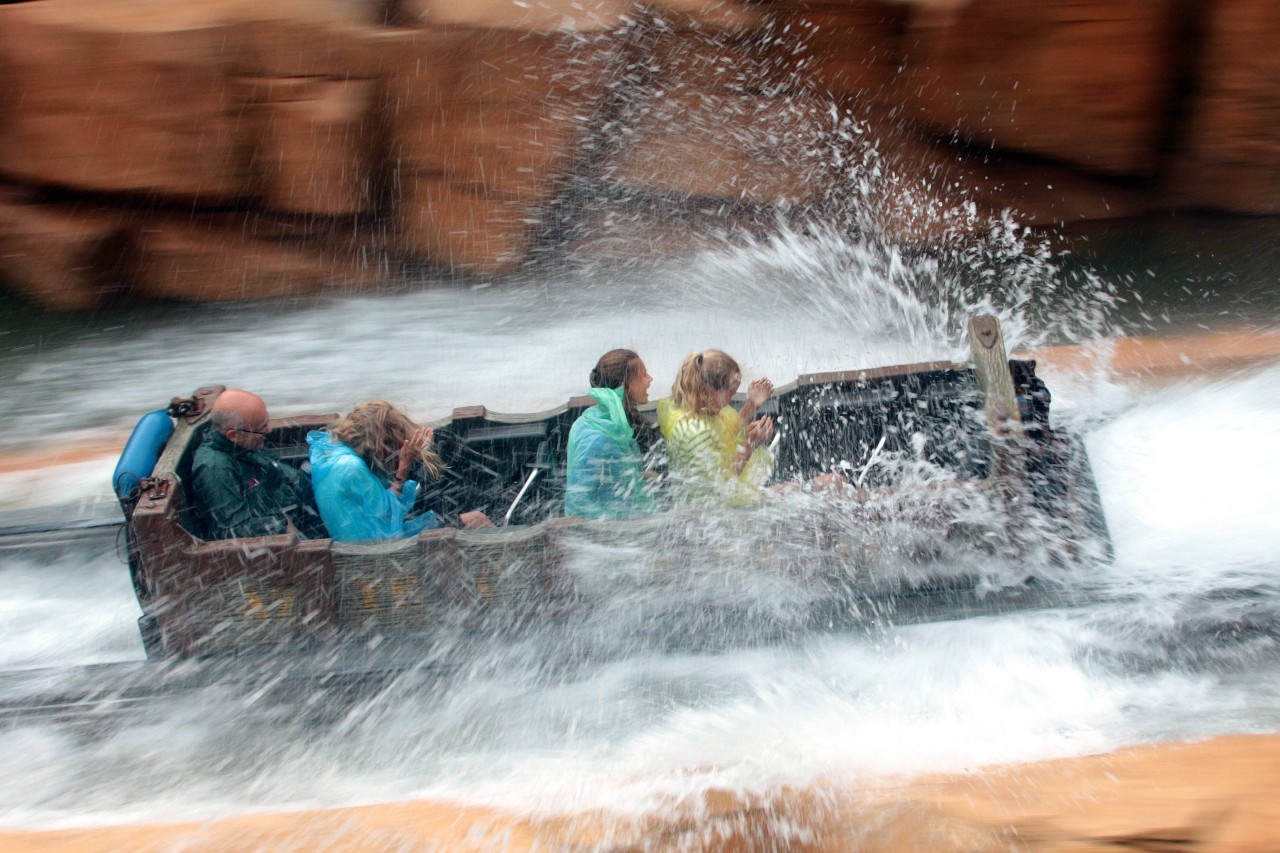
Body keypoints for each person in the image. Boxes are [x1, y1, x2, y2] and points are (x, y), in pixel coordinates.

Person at [307, 400, 491, 542]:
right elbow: (387, 520)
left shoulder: (331, 452)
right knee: (476, 520)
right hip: (374, 551)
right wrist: (403, 469)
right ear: (382, 439)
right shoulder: (351, 468)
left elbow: (375, 502)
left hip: (358, 542)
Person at [190, 389, 324, 540]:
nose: (269, 430)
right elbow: (235, 528)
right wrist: (281, 525)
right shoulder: (215, 470)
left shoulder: (247, 442)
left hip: (297, 508)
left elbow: (278, 472)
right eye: (261, 428)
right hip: (279, 537)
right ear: (234, 435)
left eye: (267, 422)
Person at [656, 350, 776, 506]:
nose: (731, 400)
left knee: (790, 489)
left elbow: (727, 432)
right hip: (701, 516)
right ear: (712, 392)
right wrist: (750, 445)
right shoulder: (693, 433)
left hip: (724, 501)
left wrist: (752, 405)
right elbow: (718, 491)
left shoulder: (699, 407)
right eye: (730, 394)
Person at [565, 349, 659, 520]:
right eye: (644, 375)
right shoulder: (599, 436)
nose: (650, 379)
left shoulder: (608, 420)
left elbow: (606, 474)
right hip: (613, 536)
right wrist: (619, 527)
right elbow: (577, 501)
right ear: (625, 385)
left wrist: (637, 477)